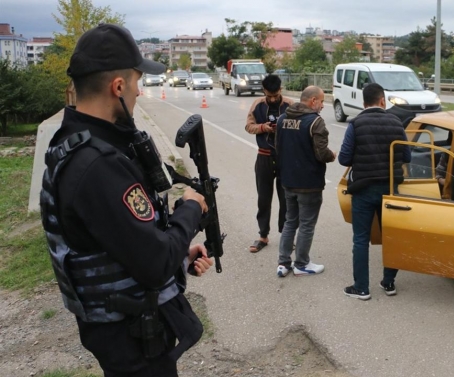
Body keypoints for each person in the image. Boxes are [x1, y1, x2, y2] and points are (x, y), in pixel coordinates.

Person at [39, 24, 213, 377]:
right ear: (117, 87)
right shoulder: (98, 166)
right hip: (132, 342)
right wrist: (190, 208)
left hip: (124, 330)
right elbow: (154, 262)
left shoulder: (74, 143)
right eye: (135, 84)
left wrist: (182, 253)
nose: (138, 93)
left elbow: (121, 244)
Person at [338, 83, 411, 300]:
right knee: (391, 237)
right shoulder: (396, 122)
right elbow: (407, 157)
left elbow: (344, 158)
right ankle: (388, 283)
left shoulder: (356, 123)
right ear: (382, 100)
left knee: (361, 239)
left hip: (363, 189)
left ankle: (361, 288)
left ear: (363, 102)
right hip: (390, 189)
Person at [274, 86, 336, 277]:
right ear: (313, 101)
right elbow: (321, 153)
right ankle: (301, 263)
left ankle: (283, 263)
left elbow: (278, 147)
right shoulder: (315, 122)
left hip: (287, 180)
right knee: (307, 224)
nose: (323, 106)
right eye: (322, 101)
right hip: (309, 183)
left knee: (290, 221)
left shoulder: (282, 119)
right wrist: (332, 155)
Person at [245, 75, 293, 253]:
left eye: (275, 95)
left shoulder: (290, 105)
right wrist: (262, 128)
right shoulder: (258, 104)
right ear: (264, 91)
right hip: (264, 157)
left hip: (285, 159)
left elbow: (299, 126)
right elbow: (249, 126)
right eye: (269, 95)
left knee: (286, 200)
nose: (272, 99)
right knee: (263, 199)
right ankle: (263, 236)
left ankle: (286, 236)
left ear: (281, 89)